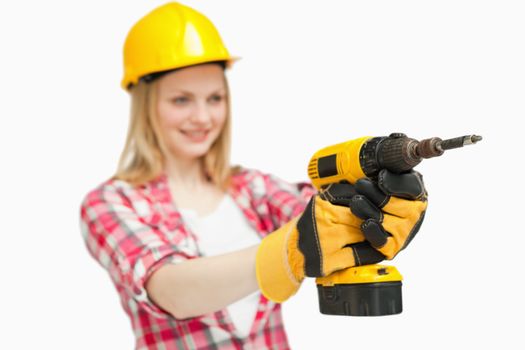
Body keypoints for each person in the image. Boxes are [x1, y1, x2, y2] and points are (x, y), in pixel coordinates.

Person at [80, 2, 428, 349]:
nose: (202, 117)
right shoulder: (110, 203)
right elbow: (170, 290)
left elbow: (319, 213)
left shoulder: (251, 189)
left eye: (214, 98)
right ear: (146, 103)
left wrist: (377, 204)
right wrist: (287, 248)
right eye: (182, 100)